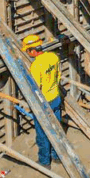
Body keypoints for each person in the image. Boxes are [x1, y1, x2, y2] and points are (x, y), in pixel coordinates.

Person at [22, 34, 62, 167]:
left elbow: (36, 88)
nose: (28, 53)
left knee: (42, 132)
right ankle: (57, 156)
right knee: (56, 128)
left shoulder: (36, 65)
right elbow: (58, 76)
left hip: (44, 102)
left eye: (28, 51)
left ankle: (45, 161)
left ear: (33, 50)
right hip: (56, 97)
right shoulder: (53, 57)